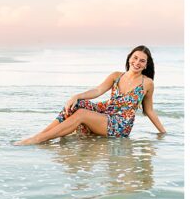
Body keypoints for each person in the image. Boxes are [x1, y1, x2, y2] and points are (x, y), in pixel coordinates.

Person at [14, 45, 166, 145]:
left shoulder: (147, 83)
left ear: (146, 65)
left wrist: (163, 133)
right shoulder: (116, 76)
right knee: (77, 104)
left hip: (121, 124)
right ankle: (42, 134)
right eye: (135, 58)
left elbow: (149, 110)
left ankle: (39, 139)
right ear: (129, 58)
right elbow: (98, 91)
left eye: (142, 61)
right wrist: (77, 96)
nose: (137, 62)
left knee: (82, 114)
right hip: (106, 113)